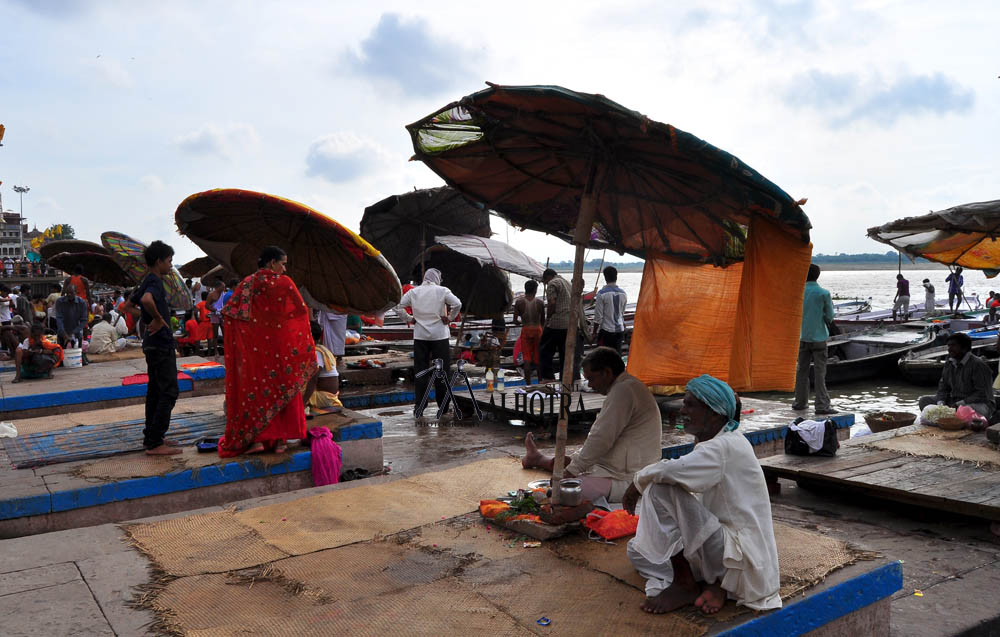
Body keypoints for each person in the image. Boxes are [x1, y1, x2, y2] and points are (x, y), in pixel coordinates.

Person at [622, 374, 780, 615]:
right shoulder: (726, 441)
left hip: (742, 559)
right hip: (730, 551)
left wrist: (637, 482)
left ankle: (687, 584)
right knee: (637, 549)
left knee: (659, 488)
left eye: (690, 405)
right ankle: (713, 585)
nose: (682, 410)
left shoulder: (722, 447)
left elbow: (670, 470)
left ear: (714, 413)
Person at [521, 347, 661, 503]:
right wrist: (574, 465)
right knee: (570, 461)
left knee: (561, 493)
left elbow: (601, 439)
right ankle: (538, 459)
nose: (590, 384)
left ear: (606, 373)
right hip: (616, 465)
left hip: (629, 477)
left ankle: (540, 460)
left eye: (591, 379)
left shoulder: (624, 390)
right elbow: (600, 439)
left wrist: (572, 471)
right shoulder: (625, 387)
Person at [218, 246, 316, 457]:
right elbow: (300, 314)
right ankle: (280, 442)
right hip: (281, 348)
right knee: (281, 388)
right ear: (272, 263)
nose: (284, 268)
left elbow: (230, 314)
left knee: (258, 391)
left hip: (256, 350)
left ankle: (257, 442)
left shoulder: (247, 284)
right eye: (283, 263)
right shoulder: (285, 284)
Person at [124, 240, 181, 456]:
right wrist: (156, 318)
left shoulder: (146, 281)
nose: (171, 265)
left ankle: (153, 435)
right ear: (159, 261)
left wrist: (148, 319)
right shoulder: (154, 282)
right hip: (160, 344)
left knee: (156, 391)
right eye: (169, 261)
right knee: (169, 391)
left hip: (152, 344)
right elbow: (147, 300)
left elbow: (127, 306)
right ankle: (156, 441)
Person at [395, 268, 461, 418]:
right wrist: (449, 318)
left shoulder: (414, 292)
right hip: (440, 336)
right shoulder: (442, 290)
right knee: (443, 372)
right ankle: (443, 406)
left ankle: (420, 405)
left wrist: (409, 319)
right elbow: (457, 304)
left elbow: (397, 306)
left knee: (420, 371)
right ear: (437, 278)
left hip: (420, 336)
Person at [918, 332, 995, 419]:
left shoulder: (978, 365)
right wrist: (941, 403)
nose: (949, 349)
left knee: (965, 410)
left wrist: (960, 403)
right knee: (924, 401)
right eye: (949, 346)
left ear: (965, 348)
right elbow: (943, 387)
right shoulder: (949, 362)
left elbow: (982, 393)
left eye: (953, 345)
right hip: (954, 401)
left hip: (979, 404)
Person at [792, 264, 836, 415]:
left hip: (802, 337)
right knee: (820, 373)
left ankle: (800, 402)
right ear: (818, 275)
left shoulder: (799, 293)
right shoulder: (823, 293)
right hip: (819, 338)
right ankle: (822, 406)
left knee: (801, 371)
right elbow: (830, 316)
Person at [538, 268, 586, 383]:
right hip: (570, 323)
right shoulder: (567, 283)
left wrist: (548, 318)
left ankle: (548, 377)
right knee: (564, 352)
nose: (545, 284)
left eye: (544, 282)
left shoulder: (552, 283)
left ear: (547, 277)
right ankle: (565, 377)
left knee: (544, 349)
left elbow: (552, 303)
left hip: (557, 322)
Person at [303, 320, 342, 410]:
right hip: (327, 396)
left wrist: (303, 402)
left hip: (325, 397)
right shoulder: (322, 348)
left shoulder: (317, 352)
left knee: (293, 396)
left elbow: (313, 380)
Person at [512, 279, 545, 385]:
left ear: (525, 290)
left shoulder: (519, 302)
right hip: (537, 329)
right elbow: (543, 321)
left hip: (526, 330)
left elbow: (515, 321)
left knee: (526, 357)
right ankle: (540, 380)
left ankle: (528, 383)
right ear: (535, 290)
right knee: (538, 356)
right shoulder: (540, 303)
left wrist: (520, 322)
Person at [592, 266, 628, 353]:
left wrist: (594, 333)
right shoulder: (623, 293)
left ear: (605, 277)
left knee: (603, 357)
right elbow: (621, 314)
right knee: (616, 355)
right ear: (616, 277)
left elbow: (598, 318)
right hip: (620, 330)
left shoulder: (601, 294)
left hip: (607, 331)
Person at [55, 283, 89, 351]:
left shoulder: (82, 303)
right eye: (67, 293)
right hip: (63, 332)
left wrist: (73, 332)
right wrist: (64, 333)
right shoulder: (60, 301)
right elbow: (59, 318)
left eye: (71, 293)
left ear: (76, 293)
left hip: (76, 331)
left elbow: (84, 320)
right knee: (62, 352)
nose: (69, 295)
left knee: (77, 352)